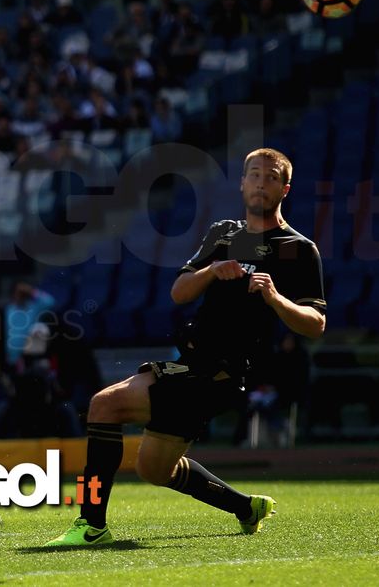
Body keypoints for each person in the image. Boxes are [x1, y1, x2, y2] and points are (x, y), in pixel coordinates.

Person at [47, 148, 327, 547]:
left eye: (270, 177)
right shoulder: (223, 234)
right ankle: (246, 508)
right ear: (243, 183)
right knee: (153, 469)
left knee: (103, 405)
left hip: (222, 373)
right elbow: (179, 292)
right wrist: (212, 270)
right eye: (254, 175)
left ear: (285, 188)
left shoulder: (298, 249)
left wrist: (276, 298)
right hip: (193, 363)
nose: (261, 183)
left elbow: (316, 324)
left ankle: (91, 525)